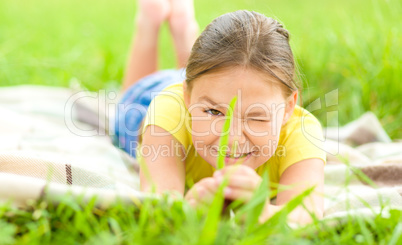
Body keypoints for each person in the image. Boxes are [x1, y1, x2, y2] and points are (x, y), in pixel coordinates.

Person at [114, 0, 326, 225]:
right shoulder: (167, 111)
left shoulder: (302, 131)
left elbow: (306, 215)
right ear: (188, 98)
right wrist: (187, 209)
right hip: (149, 100)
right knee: (127, 103)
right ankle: (149, 23)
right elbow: (159, 202)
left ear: (288, 109)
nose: (232, 139)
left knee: (207, 82)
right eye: (214, 112)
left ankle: (184, 31)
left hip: (202, 87)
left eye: (256, 117)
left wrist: (263, 212)